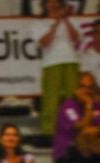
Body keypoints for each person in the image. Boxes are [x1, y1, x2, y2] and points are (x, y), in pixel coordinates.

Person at [31, 0, 80, 135]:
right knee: (51, 100)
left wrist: (65, 20)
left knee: (72, 99)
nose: (53, 5)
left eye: (56, 2)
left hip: (71, 61)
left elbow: (76, 38)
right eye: (50, 2)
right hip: (51, 63)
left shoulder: (69, 21)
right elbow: (44, 42)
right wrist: (56, 22)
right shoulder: (39, 23)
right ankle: (49, 131)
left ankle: (73, 129)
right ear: (45, 5)